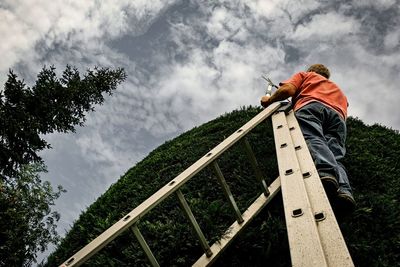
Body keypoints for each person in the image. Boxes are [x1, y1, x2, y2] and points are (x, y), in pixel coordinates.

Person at [260, 64, 355, 213]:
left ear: (311, 71)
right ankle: (344, 190)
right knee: (336, 155)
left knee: (313, 137)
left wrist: (269, 100)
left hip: (312, 106)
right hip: (339, 118)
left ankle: (326, 173)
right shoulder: (339, 91)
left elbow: (288, 90)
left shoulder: (305, 75)